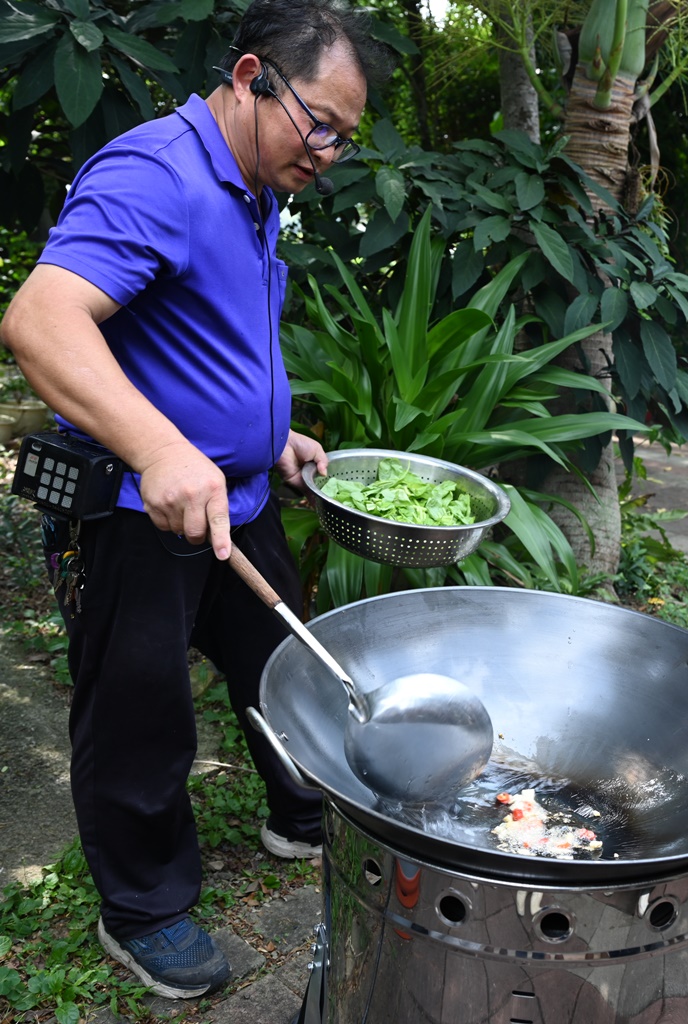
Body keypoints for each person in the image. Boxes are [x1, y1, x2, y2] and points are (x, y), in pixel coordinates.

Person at [0, 0, 392, 1001]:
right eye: (320, 123)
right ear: (251, 74)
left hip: (240, 493)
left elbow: (199, 336)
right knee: (139, 716)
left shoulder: (256, 181)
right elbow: (42, 319)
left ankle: (297, 812)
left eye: (346, 137)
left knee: (283, 671)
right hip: (135, 513)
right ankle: (144, 905)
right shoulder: (155, 174)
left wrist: (271, 435)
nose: (330, 151)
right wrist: (160, 448)